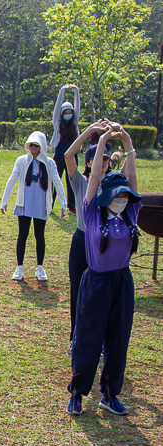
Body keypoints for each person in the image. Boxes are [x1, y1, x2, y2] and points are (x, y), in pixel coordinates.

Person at [67, 123, 141, 416]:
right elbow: (95, 175)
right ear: (105, 198)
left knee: (118, 339)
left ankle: (110, 394)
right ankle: (77, 393)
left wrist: (129, 142)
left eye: (125, 196)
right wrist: (102, 142)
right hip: (96, 282)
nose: (123, 200)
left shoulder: (131, 213)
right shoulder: (92, 211)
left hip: (122, 282)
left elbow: (133, 177)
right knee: (88, 337)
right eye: (117, 197)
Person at [62, 121, 112, 349]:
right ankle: (76, 337)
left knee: (101, 294)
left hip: (103, 243)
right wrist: (89, 132)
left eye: (106, 160)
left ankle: (100, 341)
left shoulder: (113, 186)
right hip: (82, 241)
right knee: (78, 291)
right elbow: (68, 154)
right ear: (89, 162)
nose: (102, 163)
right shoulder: (80, 182)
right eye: (98, 159)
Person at [1, 132, 67, 281]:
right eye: (31, 145)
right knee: (22, 235)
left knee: (39, 236)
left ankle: (40, 267)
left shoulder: (49, 163)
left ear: (42, 146)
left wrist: (63, 204)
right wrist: (4, 202)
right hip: (24, 204)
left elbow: (57, 182)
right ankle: (19, 267)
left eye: (37, 145)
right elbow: (12, 179)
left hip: (41, 205)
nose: (34, 148)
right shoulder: (22, 160)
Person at [50, 84, 80, 214]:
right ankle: (49, 203)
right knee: (55, 179)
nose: (68, 115)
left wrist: (76, 91)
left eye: (70, 112)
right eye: (65, 113)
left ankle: (72, 206)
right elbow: (57, 108)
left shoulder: (75, 123)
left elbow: (78, 107)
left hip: (72, 155)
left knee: (72, 180)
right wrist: (62, 90)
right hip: (59, 154)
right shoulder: (57, 123)